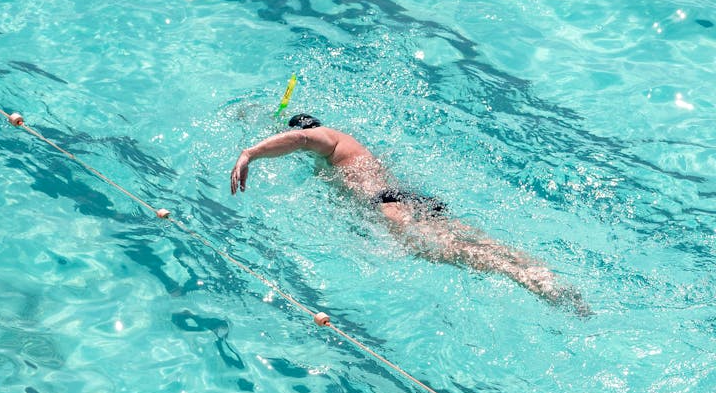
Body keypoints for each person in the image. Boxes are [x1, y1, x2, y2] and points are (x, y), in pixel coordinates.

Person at [230, 114, 590, 315]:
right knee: (473, 238)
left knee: (436, 248)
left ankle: (521, 277)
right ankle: (538, 271)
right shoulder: (343, 152)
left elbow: (303, 141)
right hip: (406, 198)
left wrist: (251, 152)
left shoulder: (326, 137)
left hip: (388, 204)